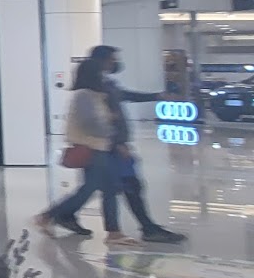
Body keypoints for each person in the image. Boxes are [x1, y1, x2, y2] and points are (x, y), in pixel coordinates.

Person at [36, 56, 138, 247]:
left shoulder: (92, 95)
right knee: (101, 188)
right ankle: (49, 216)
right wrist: (110, 124)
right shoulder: (85, 96)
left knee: (98, 188)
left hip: (99, 148)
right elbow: (90, 124)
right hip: (94, 149)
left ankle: (50, 216)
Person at [90, 45, 187, 244]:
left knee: (125, 187)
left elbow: (126, 96)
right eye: (112, 59)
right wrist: (117, 143)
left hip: (116, 145)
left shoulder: (107, 83)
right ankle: (144, 229)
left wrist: (156, 96)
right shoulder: (97, 86)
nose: (116, 63)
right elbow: (104, 119)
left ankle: (145, 227)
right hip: (113, 147)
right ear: (103, 61)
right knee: (126, 187)